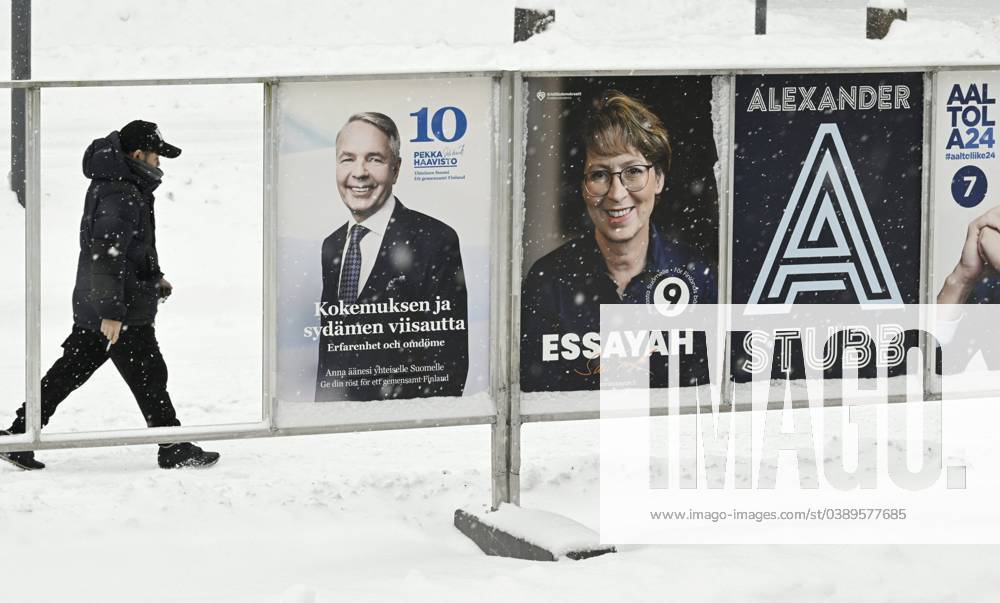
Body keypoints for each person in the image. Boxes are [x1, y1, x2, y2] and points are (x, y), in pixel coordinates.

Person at [0, 120, 220, 471]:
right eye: (155, 157)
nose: (158, 165)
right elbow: (105, 253)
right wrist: (112, 312)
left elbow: (128, 249)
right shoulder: (122, 193)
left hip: (106, 304)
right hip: (119, 311)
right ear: (137, 155)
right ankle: (172, 445)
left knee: (72, 371)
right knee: (148, 375)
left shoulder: (122, 186)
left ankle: (19, 435)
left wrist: (154, 275)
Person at [520, 90, 716, 392]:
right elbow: (538, 404)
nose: (616, 193)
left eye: (633, 172)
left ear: (660, 179)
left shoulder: (698, 277)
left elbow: (709, 397)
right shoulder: (549, 280)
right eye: (599, 175)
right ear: (584, 186)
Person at [315, 112, 468, 401]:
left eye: (374, 159)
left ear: (396, 169)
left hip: (405, 428)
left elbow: (450, 357)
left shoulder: (435, 240)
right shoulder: (332, 245)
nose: (359, 172)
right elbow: (330, 351)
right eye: (347, 159)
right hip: (341, 427)